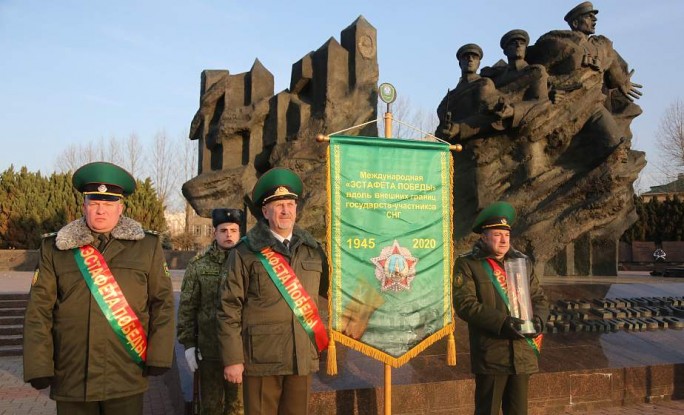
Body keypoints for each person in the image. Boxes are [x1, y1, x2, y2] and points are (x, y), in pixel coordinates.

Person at [23, 161, 175, 415]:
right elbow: (38, 312)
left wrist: (159, 355)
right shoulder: (56, 248)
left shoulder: (147, 246)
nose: (100, 211)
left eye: (108, 204)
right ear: (84, 206)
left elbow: (162, 303)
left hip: (126, 371)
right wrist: (38, 366)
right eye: (94, 204)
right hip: (72, 372)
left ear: (121, 208)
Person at [217, 167, 329, 415]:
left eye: (290, 204)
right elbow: (228, 308)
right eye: (278, 205)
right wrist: (233, 358)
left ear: (296, 209)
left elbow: (331, 291)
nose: (285, 211)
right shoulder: (245, 252)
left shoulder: (313, 250)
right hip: (261, 359)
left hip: (301, 357)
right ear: (265, 211)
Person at [453, 201, 549, 415]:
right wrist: (502, 322)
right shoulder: (468, 265)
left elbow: (539, 298)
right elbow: (465, 304)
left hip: (523, 353)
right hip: (492, 353)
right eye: (497, 234)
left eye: (507, 234)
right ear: (484, 237)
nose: (504, 240)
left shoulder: (521, 263)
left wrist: (539, 322)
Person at [527, 2, 642, 160]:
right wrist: (549, 91)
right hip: (565, 103)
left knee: (617, 146)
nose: (594, 20)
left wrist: (623, 81)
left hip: (593, 104)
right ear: (575, 23)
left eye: (594, 17)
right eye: (589, 16)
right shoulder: (559, 43)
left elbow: (614, 75)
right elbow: (537, 73)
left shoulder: (602, 46)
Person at [177, 208, 245, 415]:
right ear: (214, 233)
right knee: (210, 407)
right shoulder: (199, 265)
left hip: (241, 350)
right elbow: (188, 306)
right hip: (209, 350)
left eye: (234, 230)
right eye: (223, 230)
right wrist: (188, 344)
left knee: (239, 408)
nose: (229, 235)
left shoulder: (249, 262)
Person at [436, 43, 514, 142]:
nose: (470, 59)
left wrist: (460, 127)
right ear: (460, 63)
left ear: (479, 64)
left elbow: (491, 115)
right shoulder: (450, 96)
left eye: (474, 57)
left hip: (476, 142)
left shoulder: (484, 84)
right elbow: (440, 125)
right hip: (454, 147)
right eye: (466, 57)